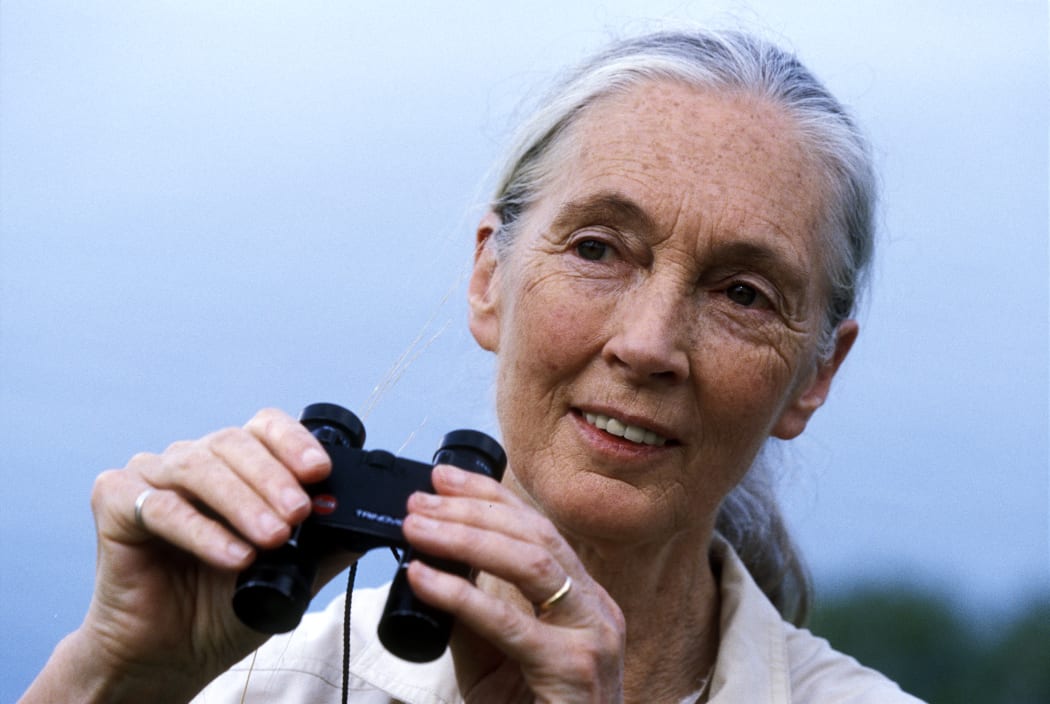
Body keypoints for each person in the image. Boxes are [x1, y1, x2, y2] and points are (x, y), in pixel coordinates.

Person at [21, 28, 925, 703]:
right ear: (490, 275)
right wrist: (114, 676)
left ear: (816, 375)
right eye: (599, 248)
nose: (649, 344)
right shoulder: (274, 684)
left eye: (743, 295)